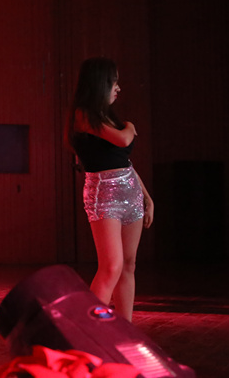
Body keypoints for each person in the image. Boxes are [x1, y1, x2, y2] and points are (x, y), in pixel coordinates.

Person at [68, 57, 154, 322]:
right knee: (111, 267)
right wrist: (130, 126)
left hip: (130, 191)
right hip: (104, 194)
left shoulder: (108, 117)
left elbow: (124, 162)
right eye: (113, 82)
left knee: (128, 265)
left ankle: (124, 328)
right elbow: (124, 139)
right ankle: (88, 328)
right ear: (99, 83)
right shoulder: (83, 115)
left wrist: (147, 197)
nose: (118, 87)